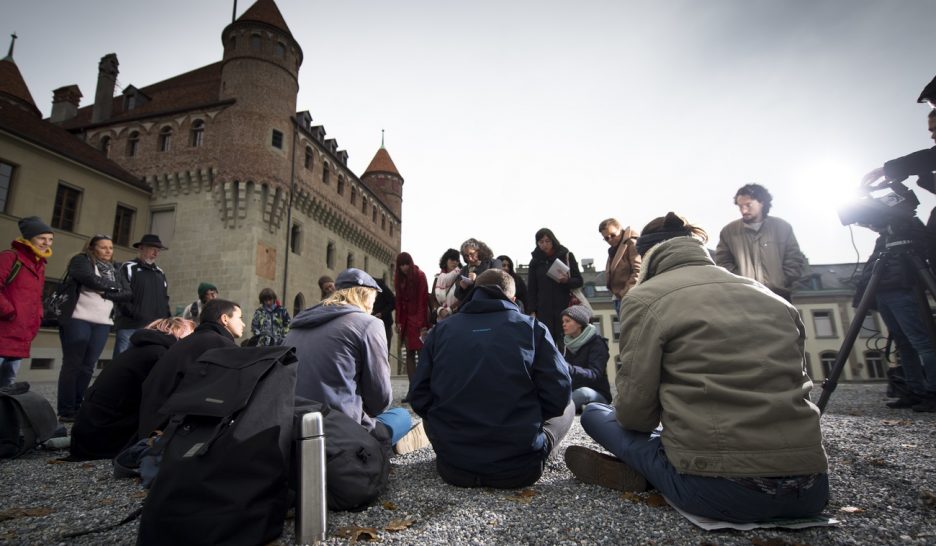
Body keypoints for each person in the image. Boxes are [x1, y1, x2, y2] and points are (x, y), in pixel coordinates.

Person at [566, 212, 829, 524]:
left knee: (596, 413)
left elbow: (635, 416)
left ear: (646, 256)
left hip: (720, 490)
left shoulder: (645, 299)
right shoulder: (772, 298)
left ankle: (650, 476)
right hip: (811, 490)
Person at [410, 269, 573, 488]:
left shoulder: (442, 330)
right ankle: (540, 445)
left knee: (433, 412)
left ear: (475, 292)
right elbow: (559, 392)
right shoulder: (532, 328)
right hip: (519, 467)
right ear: (513, 299)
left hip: (455, 466)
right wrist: (529, 417)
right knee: (570, 404)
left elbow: (419, 395)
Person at [286, 268, 412, 446]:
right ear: (366, 295)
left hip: (293, 429)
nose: (371, 307)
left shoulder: (296, 325)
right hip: (340, 433)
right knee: (402, 416)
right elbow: (380, 399)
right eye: (373, 301)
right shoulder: (369, 324)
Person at [69, 317, 196, 460]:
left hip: (88, 433)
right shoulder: (159, 355)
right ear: (179, 332)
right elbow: (162, 402)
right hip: (104, 439)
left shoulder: (141, 350)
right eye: (191, 335)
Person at [138, 299, 244, 438]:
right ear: (225, 319)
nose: (243, 323)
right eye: (240, 318)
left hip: (151, 424)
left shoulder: (191, 341)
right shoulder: (220, 344)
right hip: (167, 432)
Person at [55, 235, 130, 421]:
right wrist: (113, 289)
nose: (108, 251)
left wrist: (105, 290)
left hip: (103, 322)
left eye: (110, 248)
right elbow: (88, 278)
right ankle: (66, 410)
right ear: (92, 248)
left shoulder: (116, 269)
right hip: (77, 318)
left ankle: (78, 405)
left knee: (88, 367)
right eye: (103, 247)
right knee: (73, 364)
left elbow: (128, 293)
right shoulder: (80, 260)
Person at [714, 184, 807, 301]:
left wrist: (781, 281)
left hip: (779, 297)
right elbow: (723, 263)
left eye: (748, 205)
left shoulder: (782, 228)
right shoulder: (728, 232)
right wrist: (740, 282)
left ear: (762, 203)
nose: (744, 210)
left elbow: (794, 260)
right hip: (744, 298)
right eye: (740, 206)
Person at [0, 217, 53, 386]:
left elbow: (35, 298)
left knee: (7, 386)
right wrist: (9, 311)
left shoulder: (40, 264)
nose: (47, 243)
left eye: (50, 239)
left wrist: (37, 317)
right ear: (29, 238)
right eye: (42, 238)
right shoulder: (10, 257)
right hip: (4, 327)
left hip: (20, 334)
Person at [113, 234, 171, 357]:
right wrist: (133, 313)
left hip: (154, 329)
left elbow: (165, 299)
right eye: (152, 248)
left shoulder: (160, 273)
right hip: (131, 326)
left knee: (145, 362)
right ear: (141, 248)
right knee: (122, 361)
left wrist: (166, 320)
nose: (155, 252)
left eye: (158, 250)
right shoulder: (128, 267)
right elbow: (120, 294)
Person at [526, 228, 583, 351]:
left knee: (566, 347)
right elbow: (532, 288)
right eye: (541, 242)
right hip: (544, 311)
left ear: (553, 241)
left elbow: (579, 281)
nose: (544, 245)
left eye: (547, 241)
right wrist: (532, 310)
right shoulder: (535, 261)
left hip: (565, 309)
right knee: (546, 347)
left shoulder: (566, 256)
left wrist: (566, 281)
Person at [560, 305, 611, 412]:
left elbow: (595, 374)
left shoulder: (597, 343)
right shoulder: (567, 343)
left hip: (597, 395)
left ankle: (555, 415)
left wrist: (568, 368)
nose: (564, 324)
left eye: (567, 321)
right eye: (563, 322)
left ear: (579, 323)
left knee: (583, 392)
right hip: (573, 393)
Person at [394, 252, 428, 381]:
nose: (404, 267)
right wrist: (398, 321)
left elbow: (422, 301)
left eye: (406, 264)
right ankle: (413, 388)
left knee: (421, 353)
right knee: (409, 353)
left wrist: (421, 324)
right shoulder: (399, 277)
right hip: (406, 320)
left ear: (410, 263)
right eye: (401, 265)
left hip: (418, 319)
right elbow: (398, 300)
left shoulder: (420, 276)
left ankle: (422, 387)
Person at [598, 219, 640, 315]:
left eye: (613, 235)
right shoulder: (614, 249)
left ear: (620, 230)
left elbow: (638, 271)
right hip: (620, 297)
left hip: (630, 297)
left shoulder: (631, 243)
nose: (610, 240)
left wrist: (624, 294)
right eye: (606, 238)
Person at [453, 239, 501, 304]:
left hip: (488, 306)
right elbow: (457, 295)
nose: (469, 258)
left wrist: (477, 279)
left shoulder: (494, 263)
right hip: (468, 309)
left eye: (471, 254)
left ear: (479, 251)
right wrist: (462, 288)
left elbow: (497, 285)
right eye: (466, 256)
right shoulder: (463, 270)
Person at [431, 249, 462, 322]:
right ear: (446, 260)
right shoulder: (438, 278)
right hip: (441, 319)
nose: (454, 262)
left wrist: (449, 309)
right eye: (452, 259)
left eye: (457, 260)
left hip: (456, 317)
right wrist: (440, 310)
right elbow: (433, 298)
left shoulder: (461, 277)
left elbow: (463, 297)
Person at [372, 278, 395, 348]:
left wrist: (382, 313)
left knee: (384, 350)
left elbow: (393, 302)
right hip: (372, 325)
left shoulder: (382, 288)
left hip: (385, 324)